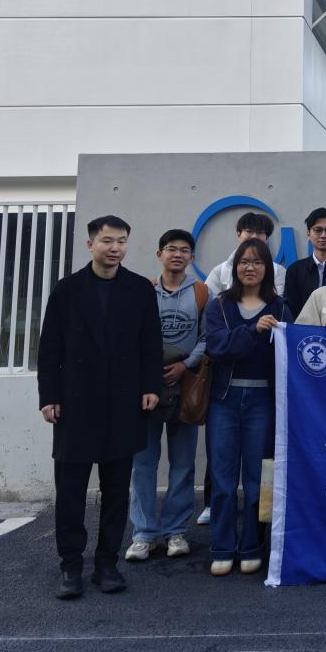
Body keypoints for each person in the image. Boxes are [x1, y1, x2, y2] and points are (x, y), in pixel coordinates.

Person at [37, 216, 160, 599]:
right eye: (107, 240)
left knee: (117, 492)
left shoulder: (139, 289)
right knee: (71, 492)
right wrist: (49, 396)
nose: (115, 248)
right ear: (90, 245)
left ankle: (107, 564)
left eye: (121, 241)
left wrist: (150, 387)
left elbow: (150, 343)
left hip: (123, 404)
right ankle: (71, 566)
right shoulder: (67, 289)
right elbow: (49, 347)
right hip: (75, 404)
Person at [202, 237, 290, 576]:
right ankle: (222, 547)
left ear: (268, 268)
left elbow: (294, 348)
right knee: (223, 479)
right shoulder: (219, 305)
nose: (250, 267)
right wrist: (253, 330)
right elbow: (217, 348)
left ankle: (253, 546)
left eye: (257, 262)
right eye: (244, 261)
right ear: (234, 267)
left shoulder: (279, 307)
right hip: (224, 401)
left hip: (263, 402)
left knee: (258, 479)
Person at [127, 230, 208, 564]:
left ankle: (176, 531)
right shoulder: (143, 291)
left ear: (191, 257)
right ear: (159, 254)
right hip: (147, 386)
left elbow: (208, 336)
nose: (177, 255)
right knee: (143, 464)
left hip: (186, 385)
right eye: (171, 249)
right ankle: (144, 534)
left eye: (184, 250)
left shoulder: (202, 292)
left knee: (183, 463)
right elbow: (132, 336)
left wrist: (185, 365)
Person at [205, 212, 286, 298]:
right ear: (238, 234)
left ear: (267, 238)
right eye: (249, 231)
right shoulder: (220, 271)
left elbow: (279, 302)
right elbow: (209, 302)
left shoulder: (278, 271)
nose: (254, 236)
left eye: (260, 232)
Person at [283, 208, 326, 318]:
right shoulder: (295, 270)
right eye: (318, 230)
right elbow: (291, 310)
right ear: (308, 234)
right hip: (303, 327)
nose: (323, 235)